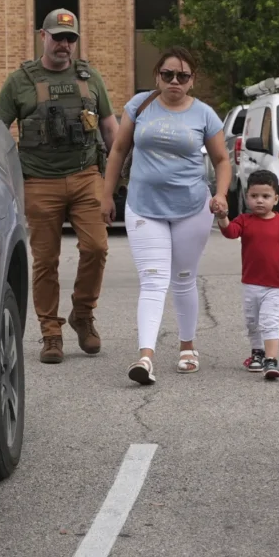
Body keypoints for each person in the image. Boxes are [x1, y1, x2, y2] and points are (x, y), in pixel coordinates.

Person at [0, 8, 119, 364]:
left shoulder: (90, 77)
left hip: (84, 176)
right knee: (45, 260)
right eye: (58, 37)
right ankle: (51, 332)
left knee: (96, 248)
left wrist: (115, 180)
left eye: (70, 38)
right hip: (38, 181)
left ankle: (83, 314)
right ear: (42, 36)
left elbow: (111, 130)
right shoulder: (19, 81)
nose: (64, 44)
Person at [100, 46, 232, 386]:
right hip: (144, 205)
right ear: (157, 76)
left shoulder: (204, 114)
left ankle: (187, 346)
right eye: (167, 74)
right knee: (154, 279)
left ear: (192, 81)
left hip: (192, 208)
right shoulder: (140, 105)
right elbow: (118, 150)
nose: (174, 81)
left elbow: (221, 160)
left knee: (184, 277)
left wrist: (220, 194)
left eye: (182, 76)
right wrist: (106, 194)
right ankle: (145, 357)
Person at [216, 170, 279, 380]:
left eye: (265, 197)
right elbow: (230, 232)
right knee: (252, 321)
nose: (259, 201)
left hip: (276, 284)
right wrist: (222, 217)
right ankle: (256, 353)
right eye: (254, 196)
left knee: (269, 320)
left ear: (275, 199)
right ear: (247, 197)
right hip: (251, 283)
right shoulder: (244, 220)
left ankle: (271, 360)